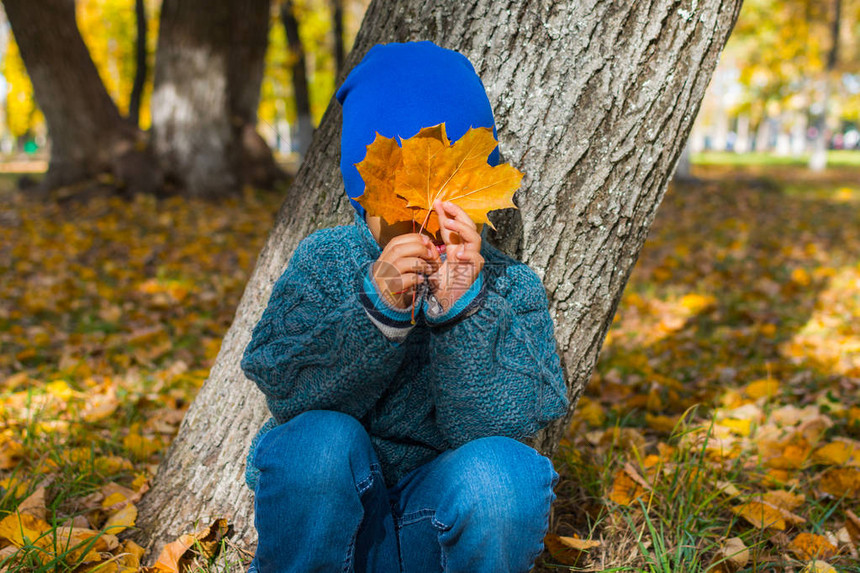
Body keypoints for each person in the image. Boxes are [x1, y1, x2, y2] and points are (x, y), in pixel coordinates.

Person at [241, 40, 569, 573]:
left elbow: (494, 427)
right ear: (361, 192)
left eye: (449, 193)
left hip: (434, 525)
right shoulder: (327, 259)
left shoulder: (510, 286)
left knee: (506, 470)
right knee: (317, 442)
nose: (424, 218)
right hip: (333, 512)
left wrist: (464, 310)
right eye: (400, 197)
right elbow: (288, 390)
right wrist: (376, 311)